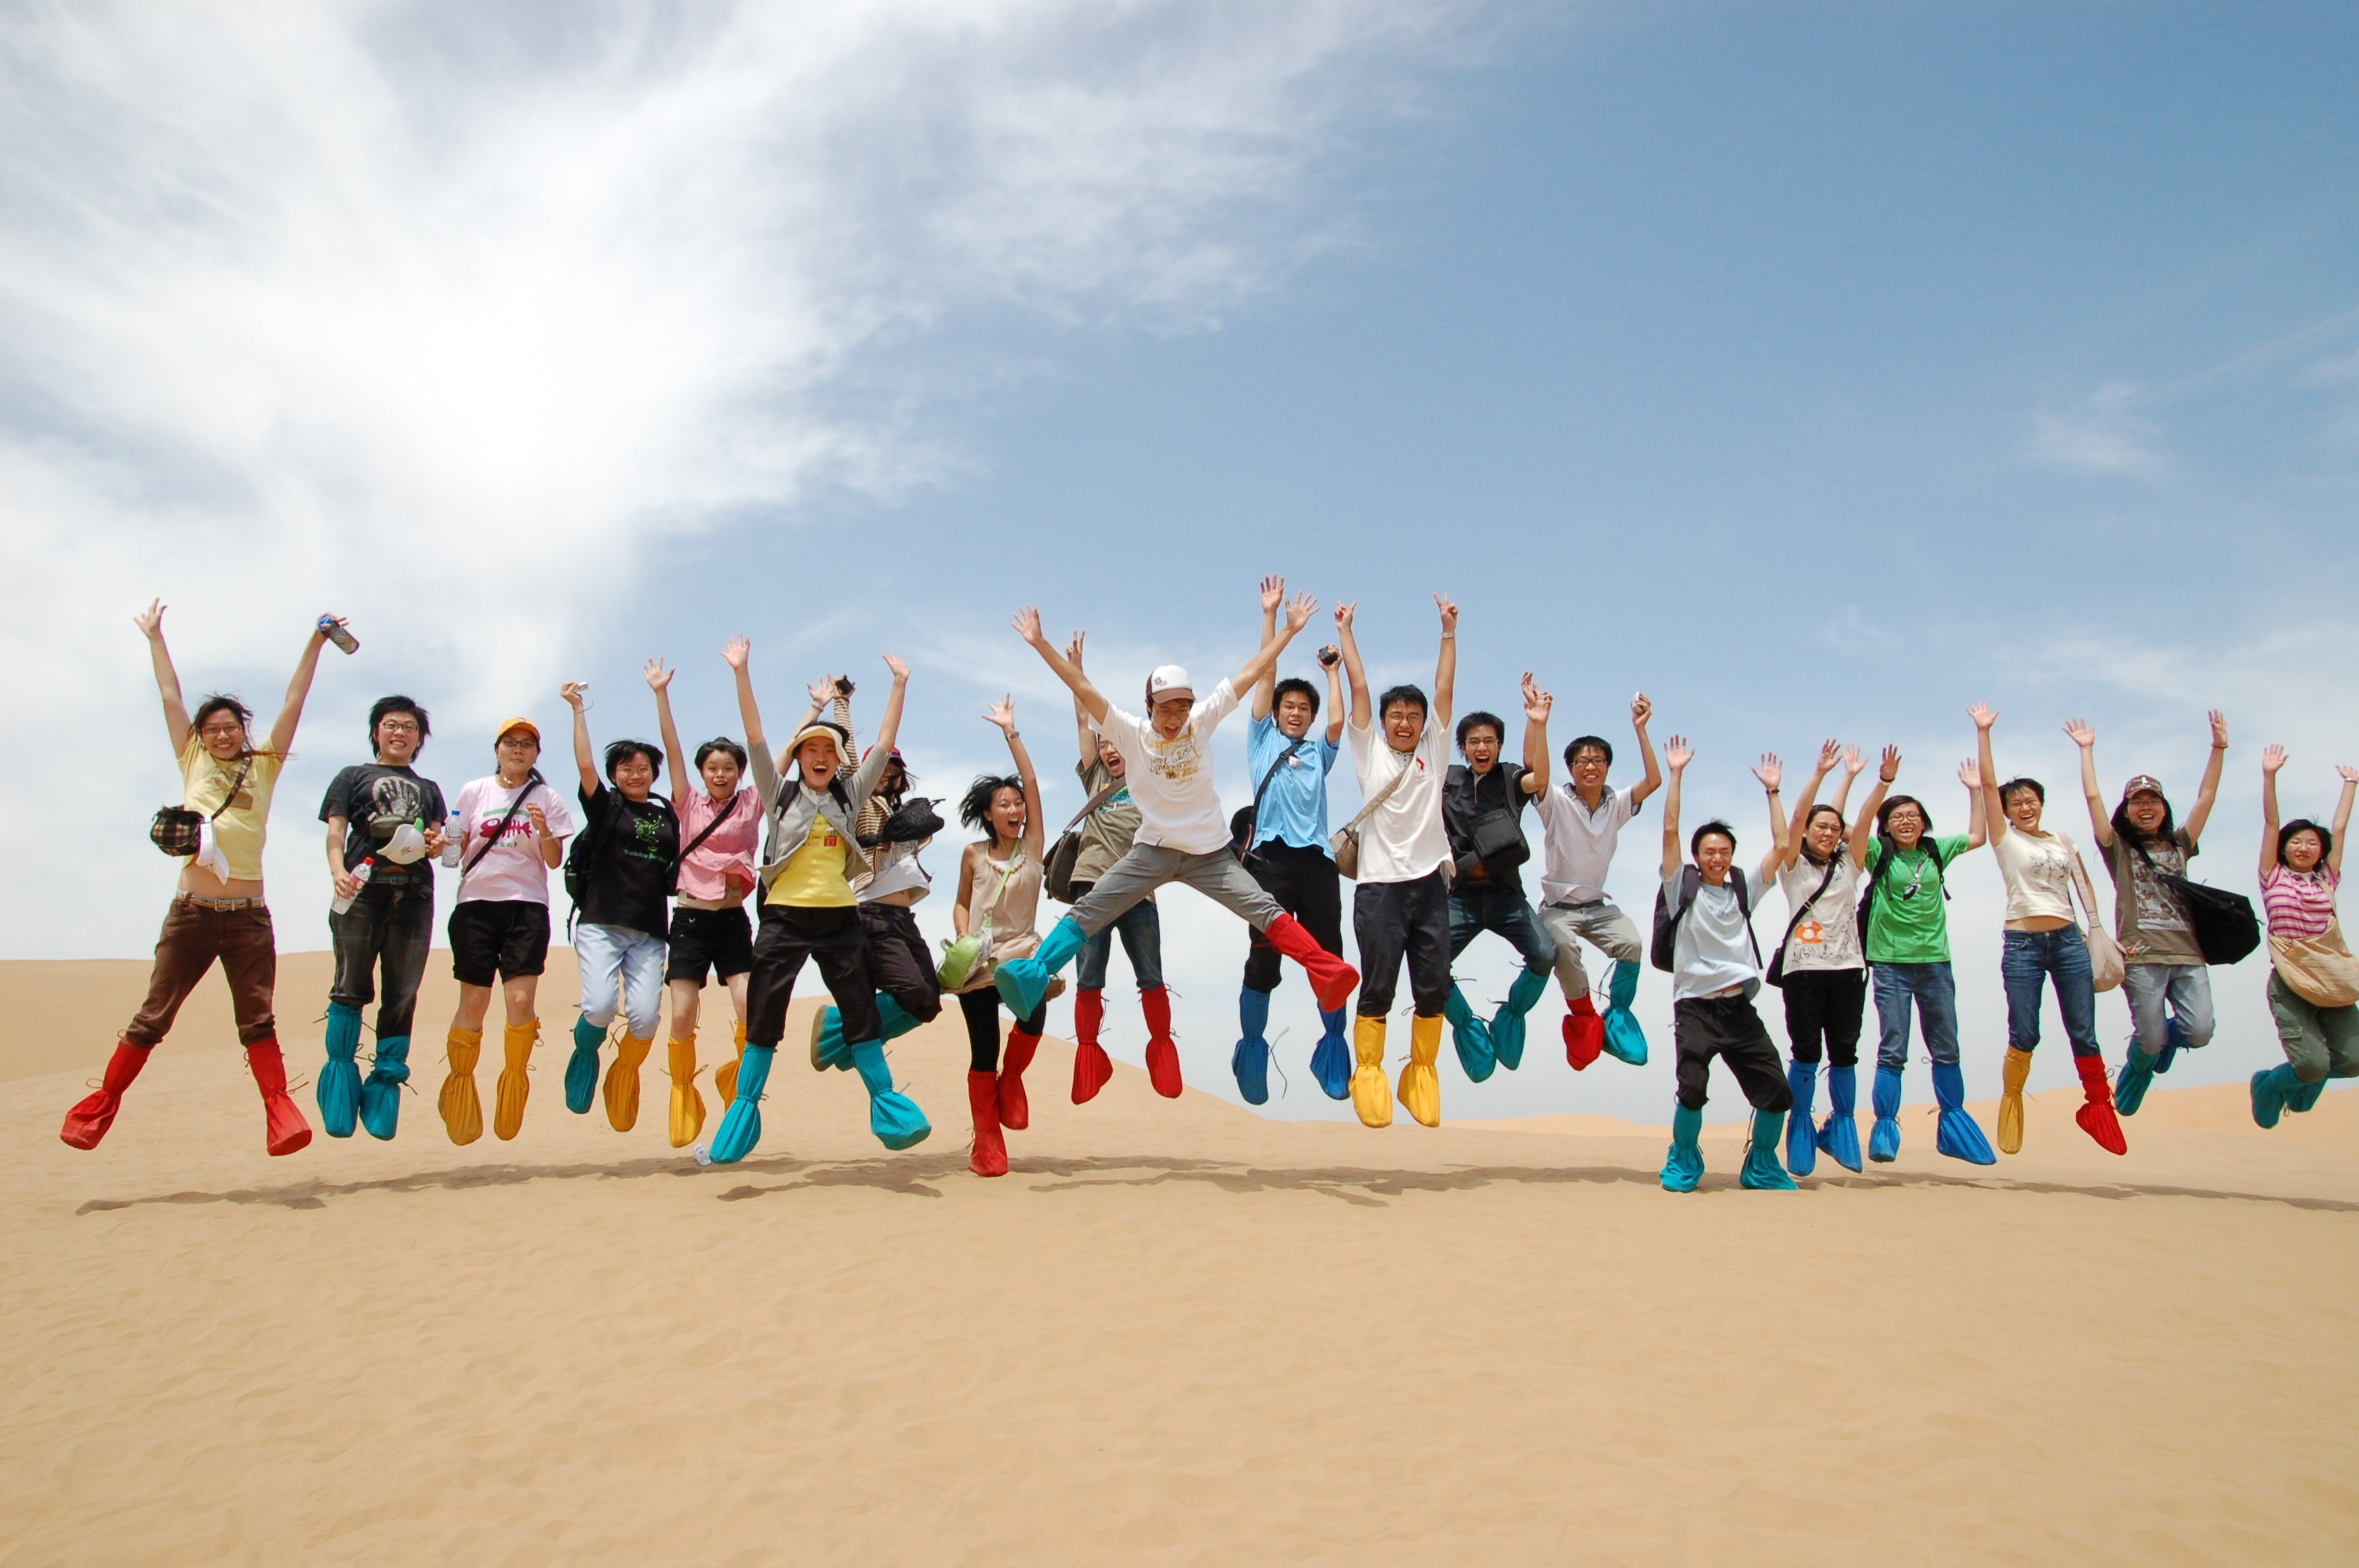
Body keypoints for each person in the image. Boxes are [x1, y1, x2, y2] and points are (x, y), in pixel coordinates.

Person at [989, 595, 1360, 1081]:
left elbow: (1251, 672)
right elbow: (1081, 685)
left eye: (1182, 706)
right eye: (1166, 708)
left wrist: (1287, 630)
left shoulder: (1202, 721)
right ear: (1150, 706)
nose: (1175, 717)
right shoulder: (1130, 731)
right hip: (1154, 851)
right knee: (1091, 910)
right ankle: (1034, 973)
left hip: (1210, 855)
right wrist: (1039, 644)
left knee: (1263, 910)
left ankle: (1328, 971)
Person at [63, 601, 332, 1156]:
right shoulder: (193, 760)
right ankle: (98, 1109)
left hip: (249, 919)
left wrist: (316, 642)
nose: (223, 735)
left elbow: (294, 700)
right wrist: (155, 639)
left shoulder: (263, 765)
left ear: (243, 732)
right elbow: (169, 697)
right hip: (192, 915)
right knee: (152, 1016)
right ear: (202, 737)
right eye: (213, 730)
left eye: (231, 728)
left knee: (257, 1020)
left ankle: (280, 1116)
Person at [707, 643, 924, 1164]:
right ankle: (742, 1111)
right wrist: (742, 672)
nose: (822, 759)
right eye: (812, 752)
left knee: (859, 1013)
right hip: (782, 919)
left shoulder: (850, 795)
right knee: (765, 1016)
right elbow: (755, 735)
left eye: (829, 752)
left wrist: (899, 685)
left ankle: (887, 1103)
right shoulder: (777, 791)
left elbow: (884, 743)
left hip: (840, 918)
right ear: (800, 758)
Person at [1972, 702, 2124, 1156]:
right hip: (2023, 944)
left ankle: (2098, 1106)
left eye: (2030, 799)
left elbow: (2087, 887)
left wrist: (2099, 932)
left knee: (2084, 1030)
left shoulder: (2063, 840)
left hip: (2069, 940)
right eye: (2015, 802)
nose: (2024, 806)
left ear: (2041, 802)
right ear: (2007, 810)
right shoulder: (2005, 837)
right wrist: (1984, 733)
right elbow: (1987, 787)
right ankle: (2012, 1099)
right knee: (2026, 1033)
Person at [2063, 711, 2228, 1115]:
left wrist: (2218, 748)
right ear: (2128, 811)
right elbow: (2093, 800)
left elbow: (2206, 797)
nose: (2146, 807)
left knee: (2200, 1031)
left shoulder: (2181, 843)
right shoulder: (2118, 848)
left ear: (2164, 808)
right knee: (2149, 1039)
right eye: (2138, 802)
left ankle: (2160, 1048)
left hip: (2188, 955)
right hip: (2141, 957)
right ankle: (2142, 1065)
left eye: (2153, 800)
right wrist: (2086, 751)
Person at [1333, 594, 1458, 1130]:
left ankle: (1422, 1075)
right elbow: (1358, 689)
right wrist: (1346, 633)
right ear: (1382, 723)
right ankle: (1370, 1074)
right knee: (1379, 982)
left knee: (1433, 984)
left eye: (1412, 716)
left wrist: (1448, 631)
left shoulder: (1436, 749)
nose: (1404, 722)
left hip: (1429, 885)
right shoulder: (1371, 752)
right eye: (1396, 716)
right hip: (1379, 887)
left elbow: (1445, 689)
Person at [1652, 737, 1796, 1192]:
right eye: (1709, 852)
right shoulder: (1681, 889)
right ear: (1698, 857)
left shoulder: (1743, 891)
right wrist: (1676, 774)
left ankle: (1763, 1166)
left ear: (1731, 856)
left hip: (1738, 1009)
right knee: (1691, 1088)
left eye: (1724, 852)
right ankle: (1683, 1159)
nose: (1717, 858)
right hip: (1694, 1007)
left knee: (1776, 1090)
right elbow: (1670, 831)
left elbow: (1783, 843)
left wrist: (1773, 792)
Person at [807, 673, 951, 1104]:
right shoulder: (863, 800)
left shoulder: (902, 811)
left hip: (903, 916)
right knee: (908, 991)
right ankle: (844, 1025)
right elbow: (851, 756)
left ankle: (845, 1037)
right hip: (870, 911)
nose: (888, 771)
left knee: (928, 1003)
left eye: (894, 767)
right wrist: (841, 703)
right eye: (883, 765)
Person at [438, 713, 576, 1144]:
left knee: (519, 1001)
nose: (518, 750)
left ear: (536, 753)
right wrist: (440, 842)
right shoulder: (474, 790)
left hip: (526, 906)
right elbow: (454, 845)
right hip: (476, 904)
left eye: (526, 744)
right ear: (497, 749)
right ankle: (461, 1084)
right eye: (510, 743)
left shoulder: (547, 797)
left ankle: (514, 1081)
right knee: (474, 1002)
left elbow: (553, 860)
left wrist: (543, 830)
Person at [1749, 739, 1885, 1177]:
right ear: (1806, 832)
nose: (1827, 832)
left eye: (1833, 827)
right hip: (1804, 970)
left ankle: (1842, 1126)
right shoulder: (1793, 866)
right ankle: (1802, 1128)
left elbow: (1861, 821)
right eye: (1819, 827)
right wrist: (1819, 774)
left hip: (1848, 969)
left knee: (1845, 1050)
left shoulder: (1851, 863)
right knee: (1806, 1050)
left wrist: (1879, 781)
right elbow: (1791, 823)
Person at [317, 695, 449, 1141]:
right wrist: (337, 872)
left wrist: (436, 843)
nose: (400, 733)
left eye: (409, 727)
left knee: (402, 993)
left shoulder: (429, 787)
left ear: (419, 738)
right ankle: (339, 1083)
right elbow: (336, 832)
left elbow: (439, 838)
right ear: (376, 730)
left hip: (415, 894)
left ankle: (384, 1087)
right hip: (363, 890)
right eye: (391, 725)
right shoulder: (352, 776)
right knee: (351, 985)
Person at [1236, 579, 1347, 1104]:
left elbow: (1340, 722)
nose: (1298, 712)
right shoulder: (1261, 740)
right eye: (1290, 706)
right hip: (1270, 864)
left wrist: (1333, 672)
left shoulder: (1319, 753)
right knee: (1265, 956)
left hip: (1318, 864)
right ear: (1277, 711)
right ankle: (1253, 1049)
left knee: (1329, 955)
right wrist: (1273, 618)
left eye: (1306, 707)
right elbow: (1263, 675)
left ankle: (1333, 1048)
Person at [648, 649, 764, 1148]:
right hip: (691, 920)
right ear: (702, 772)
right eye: (712, 767)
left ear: (739, 772)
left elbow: (764, 747)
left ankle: (737, 1084)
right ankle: (681, 1088)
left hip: (733, 920)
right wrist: (661, 694)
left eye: (728, 767)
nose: (720, 774)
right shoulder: (687, 801)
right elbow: (671, 748)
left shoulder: (754, 801)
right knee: (680, 1012)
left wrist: (742, 674)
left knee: (749, 1006)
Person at [1852, 750, 1990, 1164]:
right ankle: (1884, 1130)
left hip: (1935, 963)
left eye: (1913, 815)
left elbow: (1979, 835)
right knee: (1894, 1046)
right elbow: (1857, 830)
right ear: (1887, 826)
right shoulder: (1878, 852)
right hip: (1892, 964)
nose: (1906, 821)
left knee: (1946, 1046)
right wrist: (1884, 784)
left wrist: (1975, 792)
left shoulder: (1935, 851)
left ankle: (1954, 1125)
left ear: (1924, 821)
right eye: (1897, 817)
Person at [560, 679, 680, 1135]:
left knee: (647, 1020)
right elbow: (585, 762)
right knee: (598, 1007)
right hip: (601, 923)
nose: (636, 774)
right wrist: (578, 710)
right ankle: (585, 1053)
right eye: (627, 768)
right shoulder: (606, 807)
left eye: (644, 768)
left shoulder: (667, 812)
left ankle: (622, 1072)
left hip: (651, 931)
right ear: (615, 774)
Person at [1056, 631, 1170, 1103]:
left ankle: (1162, 1049)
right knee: (1089, 977)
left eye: (1115, 742)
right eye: (1103, 744)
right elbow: (1085, 714)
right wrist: (1078, 671)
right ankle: (1087, 1055)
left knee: (1151, 975)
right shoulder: (1096, 774)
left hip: (1140, 890)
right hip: (1092, 885)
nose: (1108, 749)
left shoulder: (1148, 774)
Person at [1530, 696, 1663, 1072]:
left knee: (1633, 945)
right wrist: (1539, 724)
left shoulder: (1616, 804)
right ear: (1570, 768)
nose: (1591, 766)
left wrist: (1641, 729)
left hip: (1599, 907)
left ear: (1607, 768)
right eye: (1582, 761)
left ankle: (1616, 1016)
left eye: (1598, 761)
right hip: (1559, 908)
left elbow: (1654, 781)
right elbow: (1537, 774)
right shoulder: (1556, 800)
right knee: (1562, 947)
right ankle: (1585, 1017)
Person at [1439, 674, 1555, 1083]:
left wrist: (1537, 722)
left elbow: (1538, 778)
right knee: (1430, 965)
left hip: (1507, 896)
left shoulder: (1508, 778)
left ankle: (1509, 1018)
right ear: (1463, 747)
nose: (1481, 748)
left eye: (1489, 741)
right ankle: (1469, 1028)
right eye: (1474, 741)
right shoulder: (1446, 779)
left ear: (1499, 746)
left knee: (1545, 955)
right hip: (1459, 897)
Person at [951, 700, 1049, 1176]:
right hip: (980, 961)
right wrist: (962, 936)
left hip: (1024, 955)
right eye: (1004, 805)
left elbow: (1031, 784)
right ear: (989, 815)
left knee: (1033, 1020)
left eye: (1017, 804)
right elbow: (962, 902)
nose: (1014, 808)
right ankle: (986, 1137)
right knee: (982, 1049)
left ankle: (1014, 1080)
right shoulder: (972, 854)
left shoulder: (1033, 847)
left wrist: (1012, 733)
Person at [2250, 748, 2359, 1127]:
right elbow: (2270, 822)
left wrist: (2351, 784)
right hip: (2292, 982)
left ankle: (2303, 1082)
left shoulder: (2326, 880)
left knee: (2353, 1061)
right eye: (2296, 841)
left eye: (2312, 843)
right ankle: (2266, 1085)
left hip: (2330, 979)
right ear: (2284, 848)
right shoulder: (2272, 875)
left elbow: (2341, 828)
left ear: (2321, 852)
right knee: (2312, 1065)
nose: (2304, 847)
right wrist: (2269, 776)